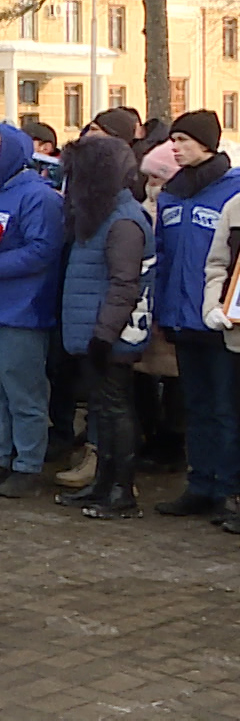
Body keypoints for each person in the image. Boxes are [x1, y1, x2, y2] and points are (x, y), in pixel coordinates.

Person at [0, 122, 65, 498]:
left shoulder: (40, 197)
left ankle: (28, 464)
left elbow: (43, 250)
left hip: (22, 310)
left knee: (24, 393)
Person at [53, 136, 154, 519]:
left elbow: (125, 283)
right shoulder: (97, 217)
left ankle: (121, 491)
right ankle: (102, 484)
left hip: (109, 336)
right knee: (101, 409)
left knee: (116, 410)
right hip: (93, 332)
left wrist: (104, 335)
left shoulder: (124, 221)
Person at [151, 110, 240, 518]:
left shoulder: (232, 191)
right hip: (181, 318)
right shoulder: (171, 192)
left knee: (226, 409)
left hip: (221, 322)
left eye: (184, 140)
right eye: (173, 140)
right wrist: (163, 312)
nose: (176, 147)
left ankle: (228, 489)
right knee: (197, 407)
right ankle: (200, 482)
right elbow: (164, 258)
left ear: (207, 143)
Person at [200, 190, 240, 533]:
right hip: (235, 333)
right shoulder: (235, 205)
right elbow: (217, 265)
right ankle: (229, 493)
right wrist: (214, 305)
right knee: (229, 415)